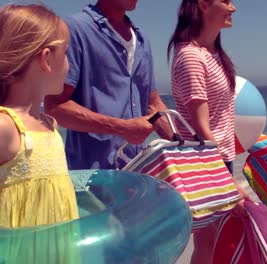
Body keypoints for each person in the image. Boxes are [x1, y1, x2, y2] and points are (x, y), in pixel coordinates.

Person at [44, 0, 171, 170]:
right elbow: (55, 107)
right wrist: (122, 128)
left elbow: (153, 104)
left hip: (138, 173)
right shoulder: (74, 29)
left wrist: (181, 146)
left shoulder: (142, 40)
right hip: (91, 177)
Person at [167, 0, 249, 263]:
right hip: (205, 163)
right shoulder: (191, 55)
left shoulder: (213, 53)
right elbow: (201, 128)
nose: (233, 7)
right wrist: (227, 182)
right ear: (202, 4)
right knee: (209, 241)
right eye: (225, 1)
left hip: (220, 158)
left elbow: (221, 116)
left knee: (211, 241)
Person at [0, 4, 79, 263]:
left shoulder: (49, 124)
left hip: (57, 252)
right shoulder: (6, 127)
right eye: (66, 53)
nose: (69, 64)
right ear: (46, 59)